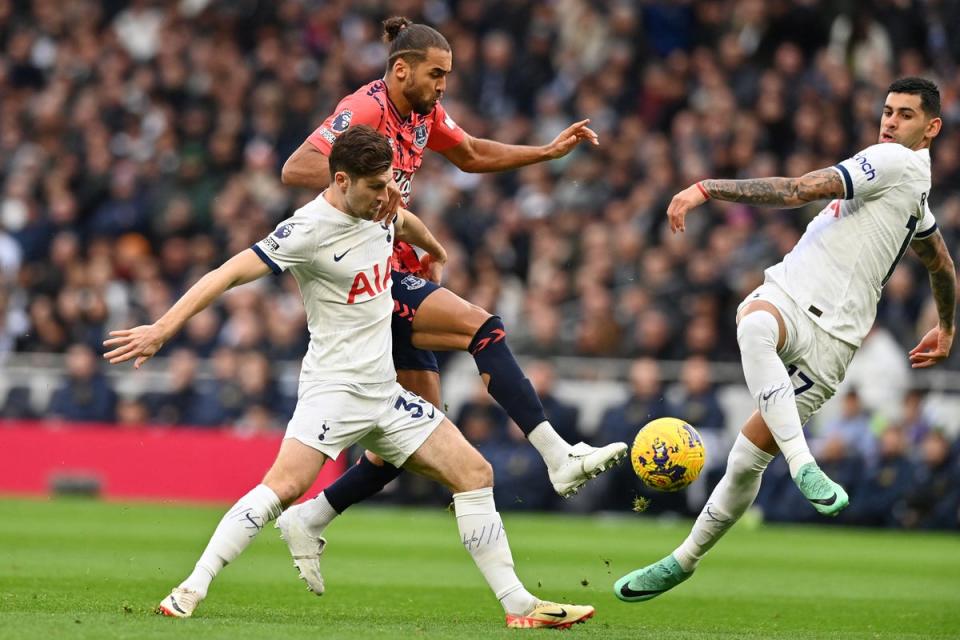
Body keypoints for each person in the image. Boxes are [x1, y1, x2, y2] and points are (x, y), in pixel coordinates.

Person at [103, 127, 594, 629]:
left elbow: (402, 221)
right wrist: (162, 329)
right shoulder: (307, 230)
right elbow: (225, 275)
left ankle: (519, 607)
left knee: (475, 475)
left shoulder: (378, 205)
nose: (387, 197)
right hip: (333, 391)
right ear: (341, 180)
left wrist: (436, 252)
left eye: (389, 185)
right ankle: (191, 587)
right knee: (285, 486)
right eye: (377, 187)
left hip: (384, 392)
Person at [278, 16, 625, 586]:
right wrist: (376, 184)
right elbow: (297, 168)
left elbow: (470, 153)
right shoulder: (363, 110)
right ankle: (558, 455)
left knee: (413, 436)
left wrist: (546, 152)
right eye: (436, 74)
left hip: (394, 268)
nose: (443, 86)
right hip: (370, 277)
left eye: (448, 76)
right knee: (483, 328)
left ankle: (311, 517)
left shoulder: (423, 115)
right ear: (401, 69)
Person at [615, 77, 956, 602]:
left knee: (746, 460)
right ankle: (803, 463)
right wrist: (949, 324)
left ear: (931, 128)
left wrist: (708, 187)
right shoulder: (916, 187)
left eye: (905, 115)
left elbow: (799, 190)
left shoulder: (892, 164)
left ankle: (684, 560)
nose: (889, 122)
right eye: (886, 111)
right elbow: (940, 262)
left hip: (834, 342)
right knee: (753, 322)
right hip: (793, 298)